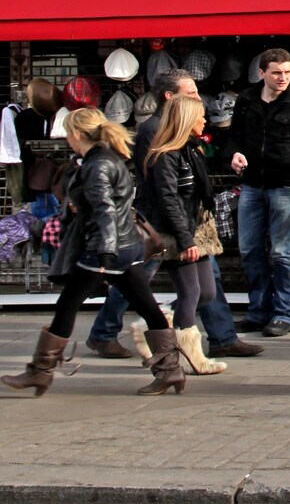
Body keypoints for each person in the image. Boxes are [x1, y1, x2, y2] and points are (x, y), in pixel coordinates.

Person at [2, 106, 182, 397]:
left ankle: (40, 371)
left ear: (75, 134)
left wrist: (104, 252)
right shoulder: (100, 159)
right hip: (125, 247)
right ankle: (171, 370)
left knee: (67, 304)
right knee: (146, 304)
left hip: (106, 248)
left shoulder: (97, 165)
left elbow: (105, 211)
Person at [87, 69, 261, 362]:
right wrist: (182, 232)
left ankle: (221, 337)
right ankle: (112, 332)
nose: (197, 99)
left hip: (187, 221)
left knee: (204, 283)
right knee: (136, 279)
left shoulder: (185, 136)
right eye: (190, 93)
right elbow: (162, 188)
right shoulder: (155, 132)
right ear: (171, 97)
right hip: (163, 223)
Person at [228, 48, 290, 335]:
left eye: (287, 73)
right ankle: (258, 311)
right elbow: (233, 138)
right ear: (262, 73)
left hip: (286, 185)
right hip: (253, 183)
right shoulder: (246, 99)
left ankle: (284, 314)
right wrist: (234, 154)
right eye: (277, 72)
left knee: (282, 252)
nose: (283, 78)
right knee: (250, 249)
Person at [141, 93, 226, 378]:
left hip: (195, 227)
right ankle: (192, 355)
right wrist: (185, 239)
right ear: (187, 119)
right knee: (191, 292)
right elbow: (168, 200)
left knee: (207, 292)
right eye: (200, 115)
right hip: (178, 231)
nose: (205, 120)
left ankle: (155, 323)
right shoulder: (165, 155)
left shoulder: (191, 149)